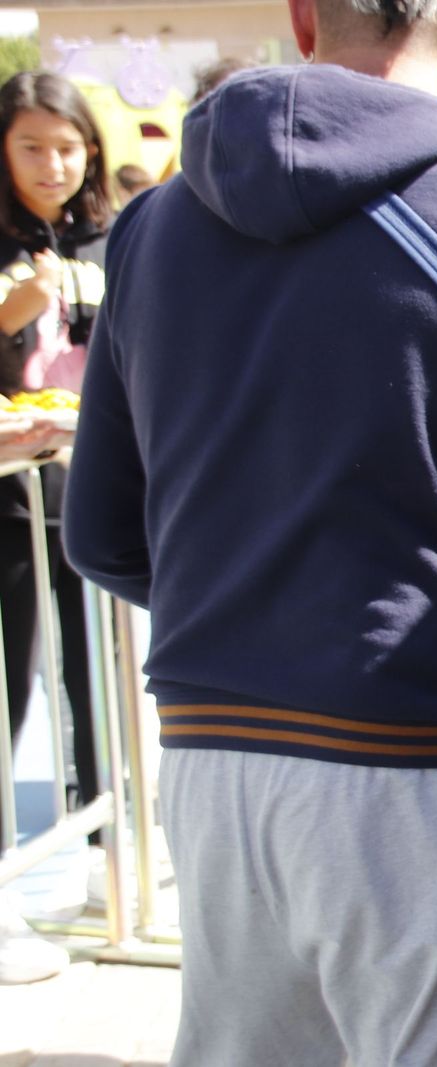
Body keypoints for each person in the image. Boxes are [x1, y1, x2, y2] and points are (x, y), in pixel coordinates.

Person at [64, 0, 437, 1060]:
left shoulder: (153, 224)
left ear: (303, 17)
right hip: (422, 751)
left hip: (209, 749)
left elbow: (102, 532)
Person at [0, 70, 111, 988]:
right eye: (33, 145)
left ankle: (107, 854)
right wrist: (12, 314)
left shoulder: (112, 239)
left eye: (68, 146)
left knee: (99, 678)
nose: (53, 165)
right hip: (6, 501)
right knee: (10, 692)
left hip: (89, 493)